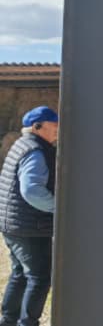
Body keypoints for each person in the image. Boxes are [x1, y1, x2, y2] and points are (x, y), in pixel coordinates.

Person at [0, 106, 58, 326]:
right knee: (40, 277)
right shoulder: (35, 150)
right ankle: (27, 323)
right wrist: (57, 207)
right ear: (37, 127)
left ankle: (8, 320)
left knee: (20, 274)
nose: (57, 132)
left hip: (13, 223)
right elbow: (31, 190)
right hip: (30, 225)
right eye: (54, 127)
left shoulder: (21, 145)